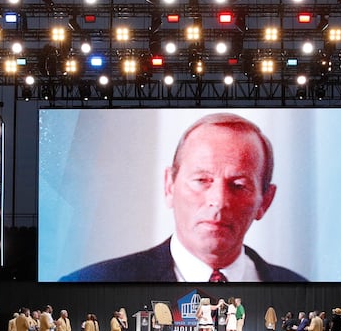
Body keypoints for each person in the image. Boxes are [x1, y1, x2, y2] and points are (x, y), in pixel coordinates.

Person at [62, 113, 306, 281]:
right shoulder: (91, 284)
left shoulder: (299, 292)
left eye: (239, 185)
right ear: (169, 186)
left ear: (265, 201)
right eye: (202, 180)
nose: (218, 201)